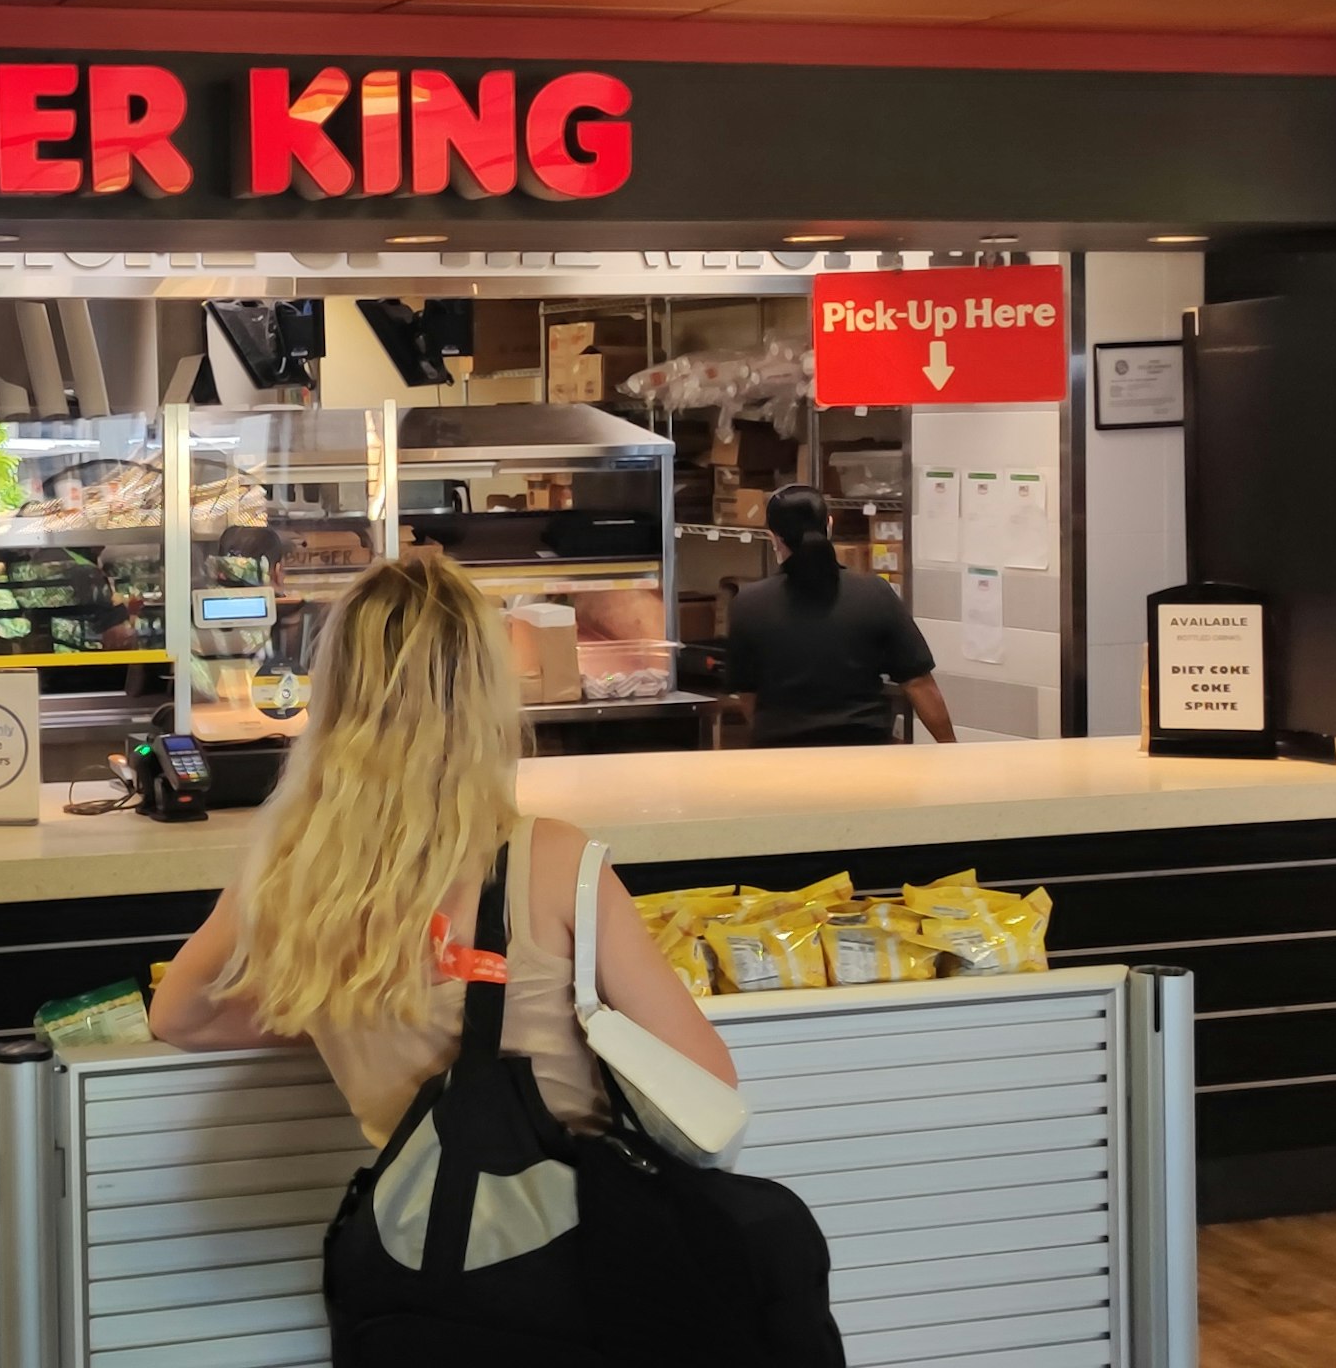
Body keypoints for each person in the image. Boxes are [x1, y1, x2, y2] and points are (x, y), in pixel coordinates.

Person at [146, 554, 734, 1143]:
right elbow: (710, 1080)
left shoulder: (290, 870)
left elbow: (177, 1016)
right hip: (578, 1220)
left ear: (335, 693)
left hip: (416, 1226)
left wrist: (339, 1015)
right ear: (485, 693)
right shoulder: (554, 859)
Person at [725, 485, 957, 747]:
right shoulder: (875, 593)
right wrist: (948, 746)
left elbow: (747, 695)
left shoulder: (748, 604)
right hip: (865, 756)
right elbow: (918, 682)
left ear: (774, 538)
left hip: (783, 762)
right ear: (830, 525)